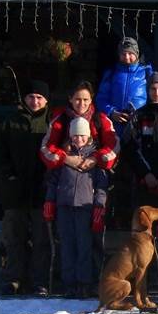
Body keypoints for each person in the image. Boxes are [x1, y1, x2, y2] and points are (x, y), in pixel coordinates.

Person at [0, 79, 54, 296]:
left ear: (46, 99)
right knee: (14, 237)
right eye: (31, 96)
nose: (35, 101)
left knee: (41, 239)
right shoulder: (11, 122)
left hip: (41, 189)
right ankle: (14, 279)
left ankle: (40, 281)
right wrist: (8, 174)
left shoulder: (52, 122)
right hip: (15, 190)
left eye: (39, 97)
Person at [42, 117, 110, 299]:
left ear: (88, 137)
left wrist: (99, 207)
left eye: (82, 135)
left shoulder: (94, 160)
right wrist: (50, 201)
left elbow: (102, 187)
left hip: (85, 207)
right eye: (75, 135)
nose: (78, 139)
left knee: (84, 246)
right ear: (70, 136)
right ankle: (69, 283)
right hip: (64, 206)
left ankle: (84, 283)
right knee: (67, 245)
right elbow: (52, 182)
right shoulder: (62, 158)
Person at [125, 71, 158, 217]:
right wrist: (145, 174)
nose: (157, 93)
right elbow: (131, 148)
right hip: (145, 182)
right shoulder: (139, 116)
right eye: (153, 89)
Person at [40, 81, 119, 173]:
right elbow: (47, 147)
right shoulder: (60, 119)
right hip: (65, 173)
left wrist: (96, 159)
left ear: (91, 100)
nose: (81, 103)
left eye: (85, 99)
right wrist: (65, 159)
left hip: (94, 174)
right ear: (70, 99)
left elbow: (113, 146)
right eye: (77, 99)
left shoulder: (100, 119)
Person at [95, 37, 152, 137]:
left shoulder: (146, 72)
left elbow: (155, 96)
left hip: (139, 125)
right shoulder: (111, 72)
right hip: (114, 126)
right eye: (123, 54)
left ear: (137, 53)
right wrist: (111, 112)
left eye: (130, 53)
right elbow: (101, 98)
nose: (126, 57)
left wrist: (140, 114)